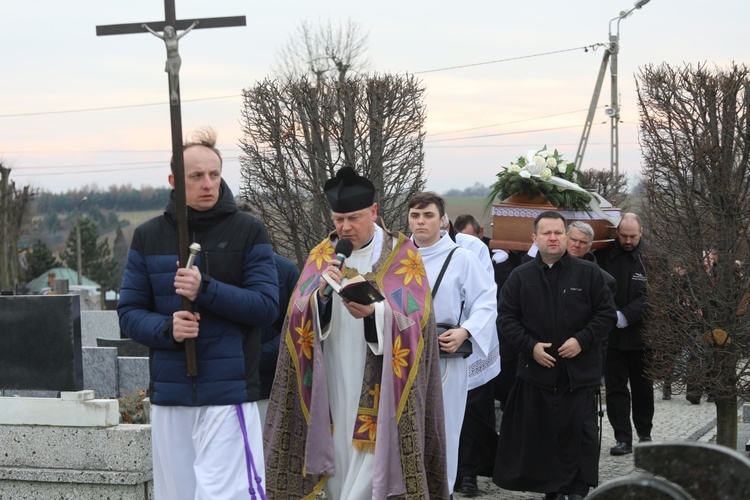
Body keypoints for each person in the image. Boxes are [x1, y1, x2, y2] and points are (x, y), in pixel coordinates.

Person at [263, 167, 449, 499]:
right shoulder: (323, 254)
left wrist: (375, 314)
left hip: (382, 380)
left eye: (354, 218)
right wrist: (320, 297)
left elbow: (417, 319)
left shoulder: (403, 255)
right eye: (338, 219)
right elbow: (295, 315)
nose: (345, 227)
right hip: (332, 374)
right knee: (337, 453)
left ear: (374, 212)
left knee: (371, 465)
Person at [117, 128, 279, 499]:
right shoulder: (148, 236)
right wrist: (167, 329)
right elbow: (129, 312)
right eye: (196, 176)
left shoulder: (247, 231)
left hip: (227, 391)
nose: (208, 184)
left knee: (226, 494)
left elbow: (265, 307)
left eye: (214, 174)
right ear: (174, 180)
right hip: (171, 395)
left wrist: (204, 289)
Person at [493, 210, 616, 500]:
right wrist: (530, 346)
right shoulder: (520, 277)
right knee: (544, 437)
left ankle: (577, 490)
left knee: (580, 435)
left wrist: (581, 341)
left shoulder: (588, 274)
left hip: (579, 375)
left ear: (566, 236)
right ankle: (551, 491)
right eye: (546, 233)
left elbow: (606, 314)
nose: (553, 238)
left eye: (558, 232)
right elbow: (506, 318)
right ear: (534, 238)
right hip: (538, 376)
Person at [408, 192, 498, 498]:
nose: (421, 222)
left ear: (443, 220)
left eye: (428, 215)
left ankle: (440, 491)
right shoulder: (397, 258)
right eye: (415, 216)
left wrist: (465, 332)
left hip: (446, 356)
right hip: (403, 356)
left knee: (442, 431)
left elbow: (486, 301)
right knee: (405, 429)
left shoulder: (462, 258)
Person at [595, 212, 654, 456]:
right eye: (624, 236)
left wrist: (627, 315)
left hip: (643, 334)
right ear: (617, 233)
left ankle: (644, 433)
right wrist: (612, 314)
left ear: (641, 232)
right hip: (612, 336)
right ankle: (622, 437)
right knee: (616, 388)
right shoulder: (604, 256)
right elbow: (598, 289)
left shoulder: (654, 258)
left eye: (632, 236)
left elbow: (655, 294)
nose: (628, 241)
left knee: (643, 387)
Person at [453, 213, 502, 496]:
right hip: (431, 341)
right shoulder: (410, 249)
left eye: (429, 215)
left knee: (473, 412)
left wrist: (465, 328)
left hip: (470, 339)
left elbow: (484, 295)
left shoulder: (473, 248)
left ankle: (469, 471)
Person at [143, 22, 198, 105]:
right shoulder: (165, 39)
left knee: (176, 75)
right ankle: (173, 92)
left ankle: (174, 92)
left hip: (177, 59)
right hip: (170, 60)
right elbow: (155, 34)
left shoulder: (176, 38)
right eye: (167, 32)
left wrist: (194, 25)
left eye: (169, 32)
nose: (168, 33)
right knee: (172, 74)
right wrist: (147, 27)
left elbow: (186, 31)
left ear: (172, 32)